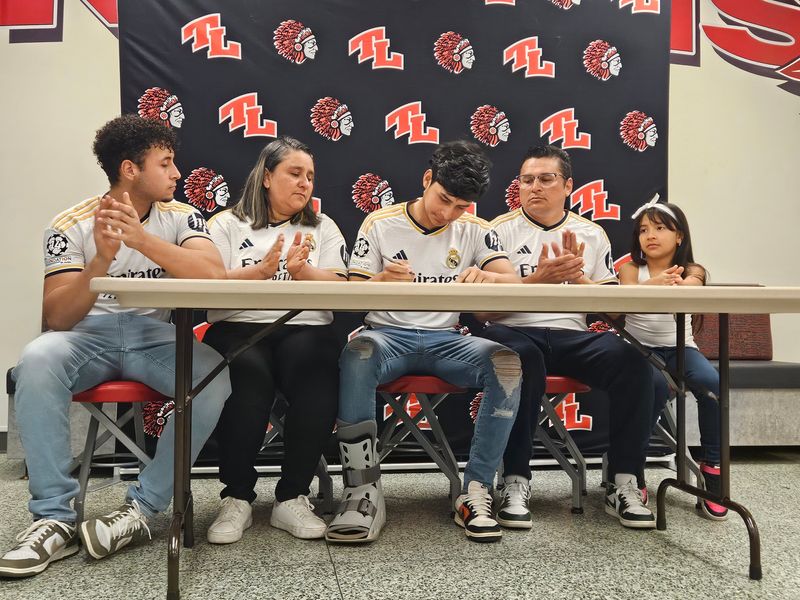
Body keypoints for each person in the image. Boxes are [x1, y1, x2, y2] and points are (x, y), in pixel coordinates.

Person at [0, 115, 231, 578]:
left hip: (153, 335)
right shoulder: (70, 223)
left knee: (212, 376)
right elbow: (58, 317)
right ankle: (54, 519)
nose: (177, 173)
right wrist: (102, 260)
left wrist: (141, 240)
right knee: (37, 359)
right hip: (86, 337)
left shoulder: (182, 216)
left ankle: (142, 509)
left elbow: (213, 277)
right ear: (130, 169)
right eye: (165, 164)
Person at [326, 140, 523, 544]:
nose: (447, 214)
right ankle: (361, 489)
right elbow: (352, 295)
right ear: (427, 179)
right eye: (444, 199)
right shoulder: (379, 222)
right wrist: (382, 282)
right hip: (386, 335)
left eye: (460, 207)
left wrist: (491, 278)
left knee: (505, 363)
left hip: (446, 339)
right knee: (358, 353)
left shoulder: (476, 229)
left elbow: (513, 283)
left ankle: (475, 491)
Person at [480, 144, 656, 530]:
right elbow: (480, 309)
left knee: (632, 362)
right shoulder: (495, 231)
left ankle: (624, 480)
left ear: (568, 185)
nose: (535, 187)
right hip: (515, 330)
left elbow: (612, 312)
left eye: (546, 179)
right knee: (522, 358)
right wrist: (537, 279)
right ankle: (515, 479)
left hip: (572, 336)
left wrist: (581, 280)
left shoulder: (590, 234)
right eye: (527, 180)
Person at [202, 137, 347, 543]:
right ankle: (237, 497)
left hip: (306, 327)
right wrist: (259, 272)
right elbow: (205, 283)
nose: (305, 184)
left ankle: (292, 497)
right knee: (246, 379)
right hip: (238, 327)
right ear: (267, 177)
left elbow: (342, 284)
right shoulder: (226, 225)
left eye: (311, 177)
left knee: (318, 371)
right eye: (294, 173)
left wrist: (304, 274)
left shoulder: (323, 228)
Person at [620, 198, 727, 520]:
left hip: (682, 349)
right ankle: (631, 472)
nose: (650, 235)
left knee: (711, 384)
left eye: (660, 228)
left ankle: (713, 466)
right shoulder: (629, 268)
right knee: (648, 387)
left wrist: (682, 285)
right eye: (643, 230)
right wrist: (650, 286)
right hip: (638, 350)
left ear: (679, 236)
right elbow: (623, 296)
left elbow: (692, 286)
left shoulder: (693, 270)